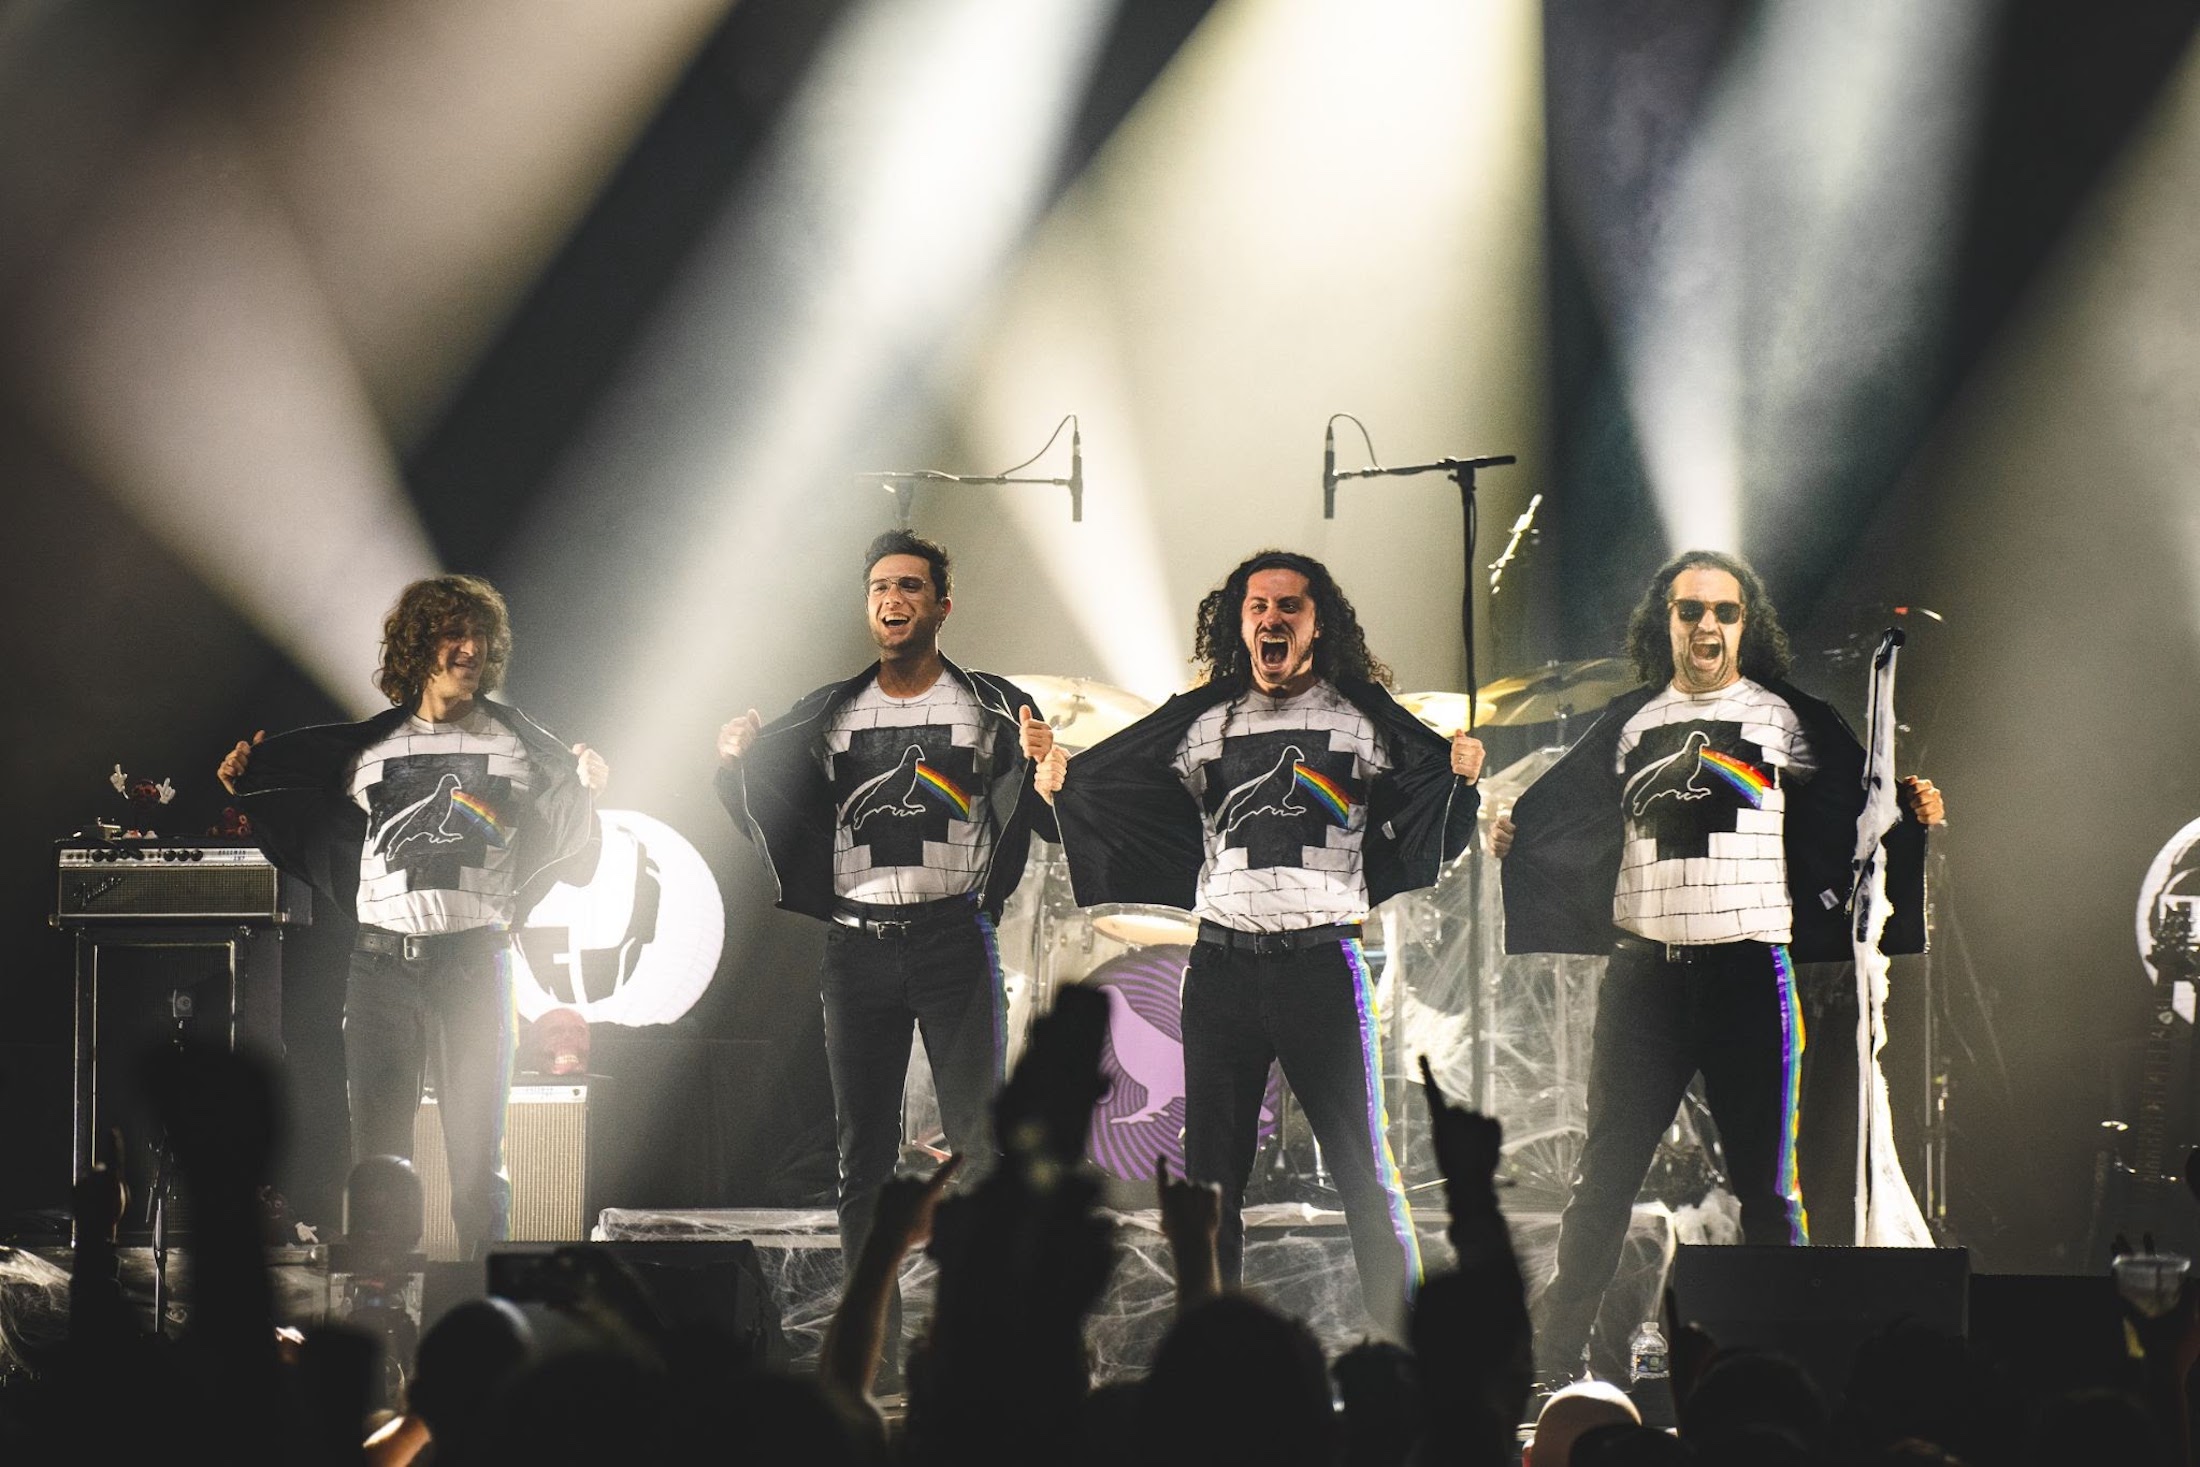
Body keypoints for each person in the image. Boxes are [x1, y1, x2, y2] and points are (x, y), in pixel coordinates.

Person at [1492, 548, 1945, 1377]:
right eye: (1690, 609)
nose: (1706, 624)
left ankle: (1798, 1368)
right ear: (1664, 622)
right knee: (1600, 1187)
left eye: (1724, 611)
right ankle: (1551, 1367)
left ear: (1746, 624)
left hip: (1749, 978)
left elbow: (1860, 808)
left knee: (1770, 1195)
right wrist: (1515, 837)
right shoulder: (1629, 722)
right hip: (1644, 983)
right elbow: (1562, 814)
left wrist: (1911, 814)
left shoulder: (1784, 719)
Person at [1039, 549, 1484, 1336]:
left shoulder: (1364, 717)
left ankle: (1411, 1353)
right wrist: (1056, 784)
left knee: (1364, 1173)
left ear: (1319, 624)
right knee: (1210, 1186)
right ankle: (1210, 1356)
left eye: (1290, 606)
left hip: (1322, 964)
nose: (1272, 618)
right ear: (1238, 622)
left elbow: (1436, 818)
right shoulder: (1203, 720)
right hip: (1221, 968)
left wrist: (1463, 780)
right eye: (1258, 607)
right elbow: (1111, 799)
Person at [715, 529, 1058, 1376]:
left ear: (943, 602)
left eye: (909, 586)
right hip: (858, 946)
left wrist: (1052, 772)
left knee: (980, 1149)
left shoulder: (988, 704)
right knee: (861, 1154)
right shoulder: (831, 710)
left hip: (954, 941)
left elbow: (1044, 816)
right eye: (878, 588)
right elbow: (768, 811)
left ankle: (979, 1345)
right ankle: (878, 1348)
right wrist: (736, 765)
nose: (892, 600)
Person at [220, 575, 606, 1258]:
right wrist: (249, 775)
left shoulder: (522, 748)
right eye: (453, 633)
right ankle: (382, 1346)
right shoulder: (367, 749)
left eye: (480, 636)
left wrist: (584, 789)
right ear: (418, 646)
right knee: (380, 1178)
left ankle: (491, 1341)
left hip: (476, 970)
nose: (470, 648)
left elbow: (570, 836)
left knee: (477, 1176)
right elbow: (290, 798)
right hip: (379, 974)